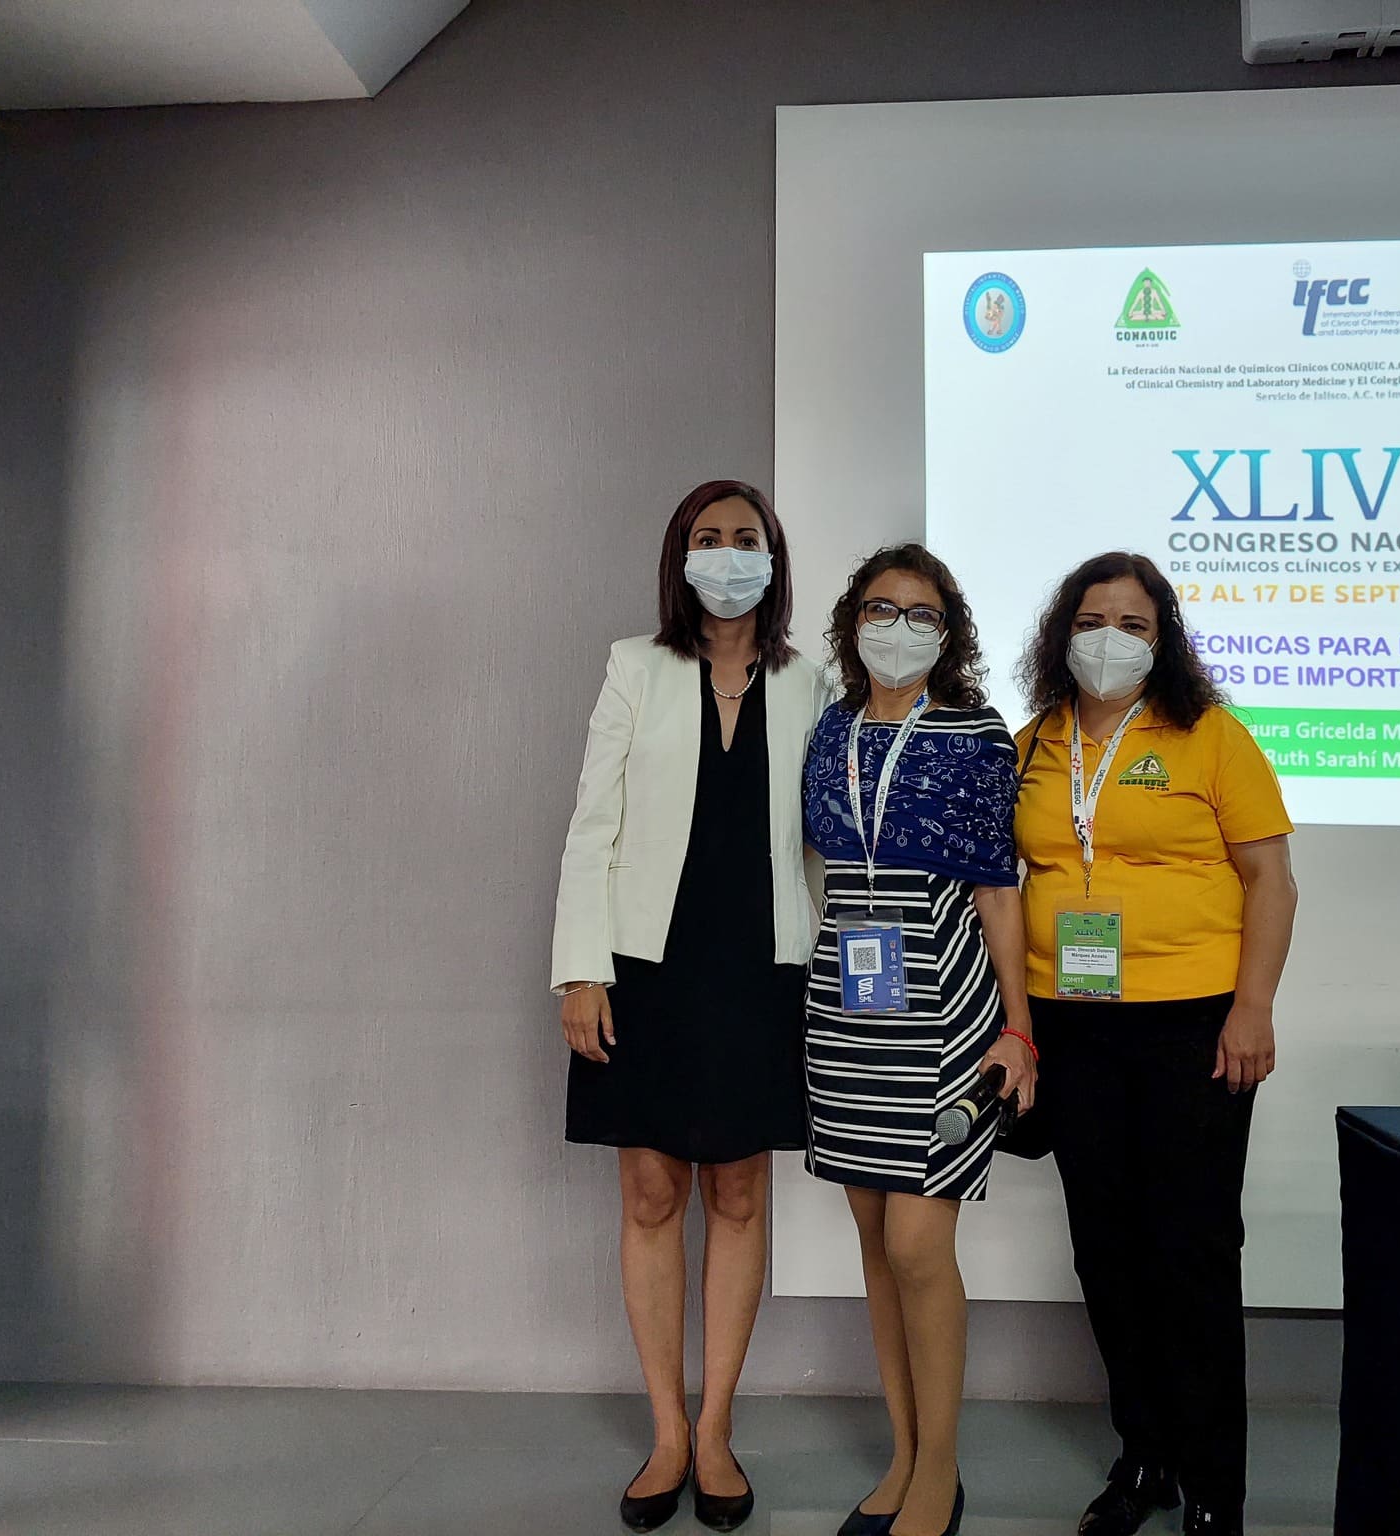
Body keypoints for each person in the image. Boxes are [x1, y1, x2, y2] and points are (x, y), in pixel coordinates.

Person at [551, 479, 829, 1533]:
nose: (727, 554)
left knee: (742, 1194)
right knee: (650, 1194)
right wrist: (581, 970)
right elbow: (593, 824)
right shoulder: (635, 666)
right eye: (707, 538)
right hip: (645, 965)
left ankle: (716, 1429)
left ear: (772, 557)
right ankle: (666, 1432)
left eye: (744, 537)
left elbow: (825, 837)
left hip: (763, 964)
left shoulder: (810, 679)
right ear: (679, 557)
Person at [1011, 552, 1298, 1536]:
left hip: (1194, 1026)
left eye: (1133, 624)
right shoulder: (1035, 742)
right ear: (1061, 634)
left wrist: (1252, 1008)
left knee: (1192, 1250)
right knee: (1105, 1248)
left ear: (1162, 638)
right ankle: (1143, 1457)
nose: (1110, 639)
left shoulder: (1209, 735)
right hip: (1071, 1025)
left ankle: (1215, 1482)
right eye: (1092, 620)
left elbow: (1270, 880)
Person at [800, 544, 1037, 1536]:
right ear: (852, 620)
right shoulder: (831, 729)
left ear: (949, 633)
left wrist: (1019, 1029)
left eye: (921, 613)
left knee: (917, 1242)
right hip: (846, 1016)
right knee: (874, 1239)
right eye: (879, 608)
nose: (897, 627)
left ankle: (940, 1466)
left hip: (946, 1014)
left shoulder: (974, 733)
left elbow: (997, 890)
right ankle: (901, 1455)